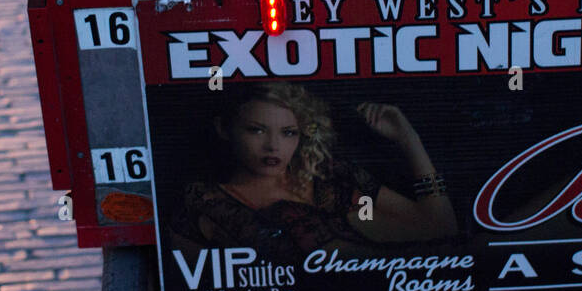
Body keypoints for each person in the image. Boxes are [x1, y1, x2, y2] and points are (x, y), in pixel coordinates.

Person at [170, 83, 458, 261]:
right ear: (224, 129)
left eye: (288, 133)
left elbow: (440, 228)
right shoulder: (204, 203)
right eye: (256, 130)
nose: (273, 146)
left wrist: (409, 140)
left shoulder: (327, 181)